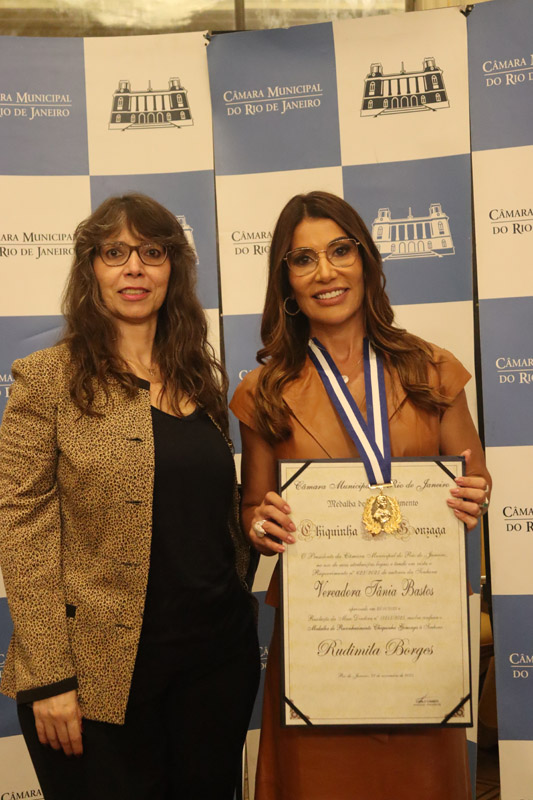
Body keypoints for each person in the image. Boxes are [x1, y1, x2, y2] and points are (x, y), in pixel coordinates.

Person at [230, 190, 491, 800]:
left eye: (339, 250)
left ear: (367, 261)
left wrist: (473, 495)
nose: (325, 272)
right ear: (286, 281)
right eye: (303, 259)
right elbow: (252, 508)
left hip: (418, 634)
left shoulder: (433, 369)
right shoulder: (263, 392)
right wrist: (258, 524)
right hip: (321, 642)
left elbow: (473, 479)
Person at [0, 193, 260, 800]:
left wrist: (259, 516)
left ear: (174, 268)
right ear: (90, 268)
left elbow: (195, 508)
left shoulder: (201, 375)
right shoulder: (47, 379)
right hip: (98, 675)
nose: (134, 268)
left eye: (152, 251)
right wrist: (50, 677)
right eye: (114, 253)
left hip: (216, 665)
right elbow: (22, 529)